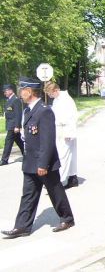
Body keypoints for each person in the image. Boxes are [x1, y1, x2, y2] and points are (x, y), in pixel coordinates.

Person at [1, 77, 74, 239]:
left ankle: (67, 219)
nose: (20, 92)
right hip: (30, 161)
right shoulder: (28, 110)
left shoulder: (44, 110)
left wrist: (43, 164)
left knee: (55, 192)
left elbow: (47, 141)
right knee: (28, 195)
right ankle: (22, 226)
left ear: (30, 91)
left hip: (44, 162)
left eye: (22, 90)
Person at [44, 82, 79, 189]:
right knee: (66, 156)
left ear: (55, 90)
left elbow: (73, 116)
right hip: (59, 129)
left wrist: (70, 132)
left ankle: (60, 181)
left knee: (63, 156)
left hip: (66, 131)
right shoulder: (56, 100)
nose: (49, 96)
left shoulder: (66, 100)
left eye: (50, 93)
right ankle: (72, 178)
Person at [1, 84, 24, 166]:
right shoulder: (9, 100)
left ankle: (4, 160)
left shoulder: (16, 100)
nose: (5, 93)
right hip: (11, 125)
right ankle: (27, 155)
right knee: (19, 141)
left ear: (11, 90)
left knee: (8, 142)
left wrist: (17, 126)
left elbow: (18, 114)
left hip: (13, 125)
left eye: (6, 91)